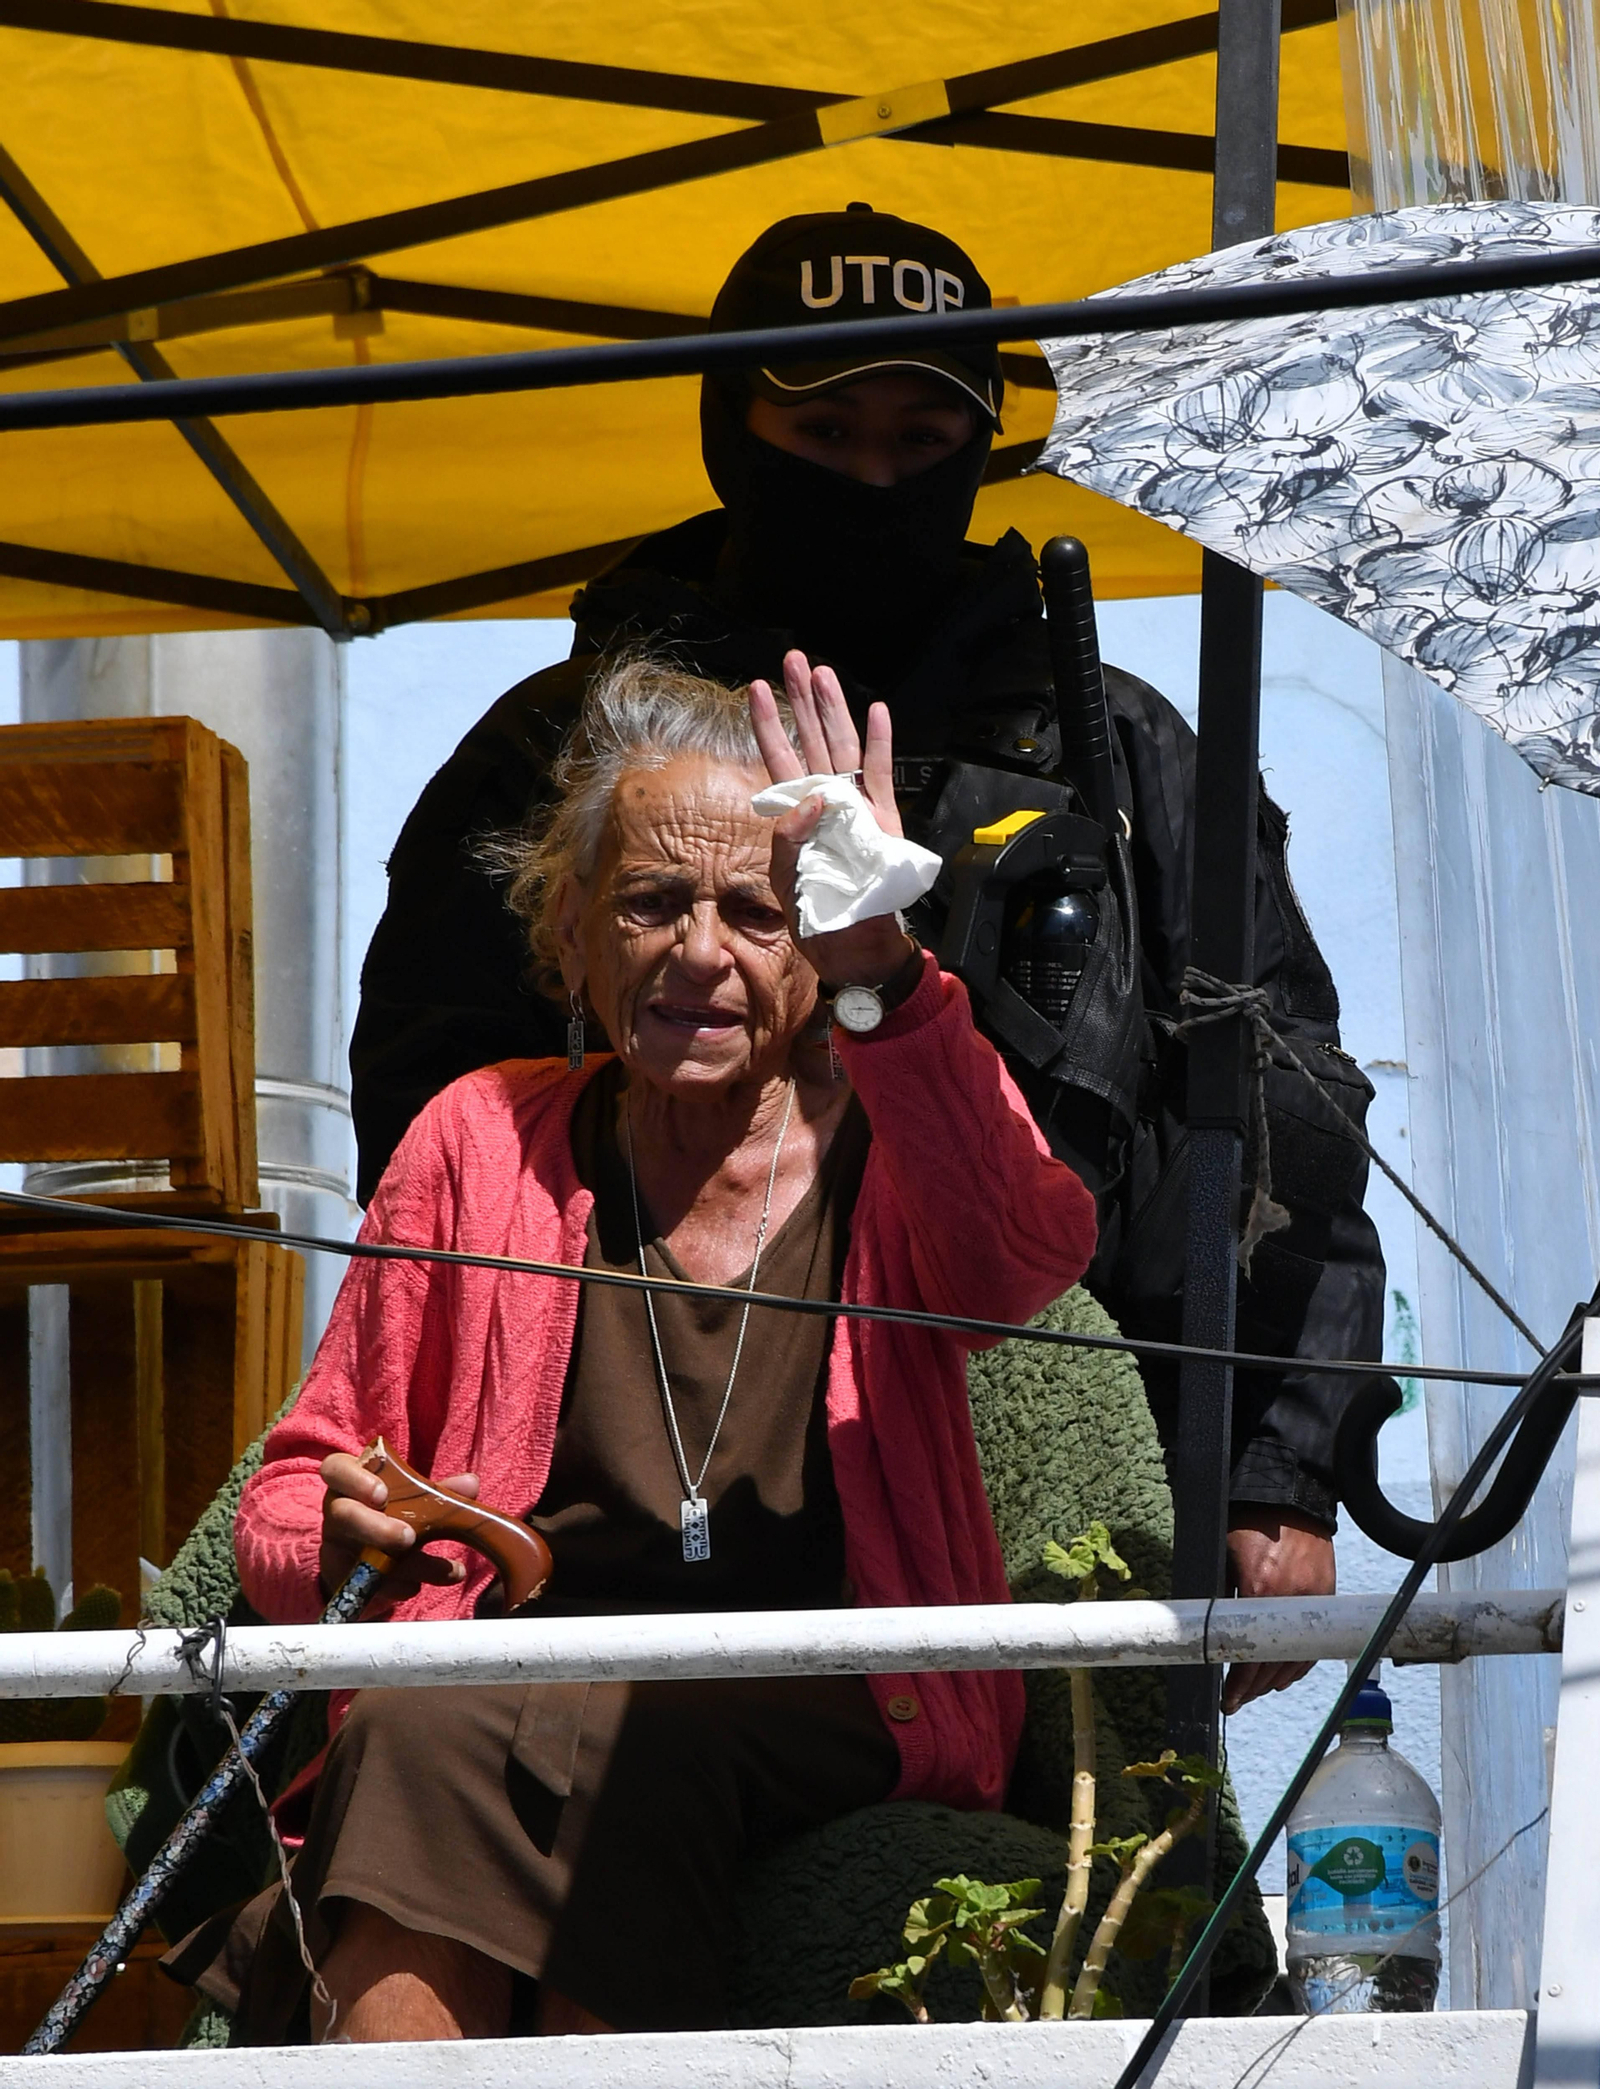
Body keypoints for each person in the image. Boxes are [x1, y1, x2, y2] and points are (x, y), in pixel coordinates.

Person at [350, 203, 1396, 1710]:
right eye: (826, 430)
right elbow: (428, 1130)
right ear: (734, 436)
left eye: (922, 437)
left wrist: (1282, 1475)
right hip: (636, 1492)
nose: (875, 476)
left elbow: (1289, 1110)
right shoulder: (551, 751)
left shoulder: (1120, 749)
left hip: (1064, 1501)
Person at [218, 659, 1096, 2042]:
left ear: (811, 938)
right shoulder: (475, 1141)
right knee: (401, 1717)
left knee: (632, 1729)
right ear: (571, 935)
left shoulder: (890, 1144)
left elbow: (1024, 1256)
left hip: (840, 1691)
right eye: (650, 903)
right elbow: (293, 1487)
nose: (701, 950)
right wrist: (332, 1531)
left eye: (758, 910)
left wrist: (887, 968)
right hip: (500, 1680)